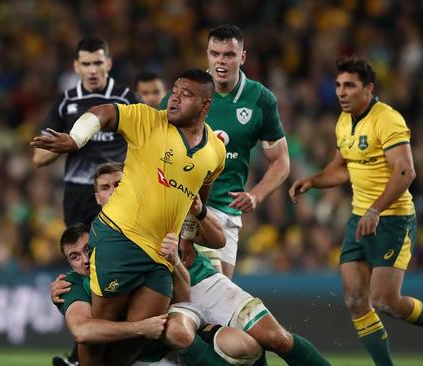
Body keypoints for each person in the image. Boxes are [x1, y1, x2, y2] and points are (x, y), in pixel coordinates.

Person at [32, 69, 227, 366]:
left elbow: (198, 197)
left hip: (161, 253)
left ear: (205, 104)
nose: (174, 98)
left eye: (185, 94)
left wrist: (187, 239)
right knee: (101, 332)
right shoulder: (147, 119)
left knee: (144, 334)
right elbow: (103, 112)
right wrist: (76, 138)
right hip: (119, 238)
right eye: (174, 90)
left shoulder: (215, 151)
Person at [289, 56, 423, 366]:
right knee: (355, 300)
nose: (341, 92)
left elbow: (406, 170)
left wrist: (375, 209)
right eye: (338, 86)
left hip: (392, 219)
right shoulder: (344, 121)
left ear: (368, 88)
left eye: (349, 86)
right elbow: (341, 168)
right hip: (359, 218)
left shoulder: (387, 119)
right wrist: (313, 180)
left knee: (386, 301)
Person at [54, 162, 262, 366]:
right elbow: (82, 332)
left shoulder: (161, 220)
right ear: (97, 198)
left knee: (246, 346)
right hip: (148, 341)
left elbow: (212, 249)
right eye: (105, 188)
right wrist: (141, 327)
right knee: (169, 330)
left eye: (118, 184)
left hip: (184, 308)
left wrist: (177, 256)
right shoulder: (78, 276)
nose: (84, 259)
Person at [160, 25, 290, 278]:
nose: (221, 61)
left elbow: (281, 161)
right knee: (203, 293)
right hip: (180, 205)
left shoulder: (260, 99)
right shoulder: (184, 93)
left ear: (242, 57)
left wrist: (256, 195)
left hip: (225, 213)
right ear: (207, 54)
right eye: (215, 53)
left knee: (217, 302)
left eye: (229, 55)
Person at [32, 35, 138, 228]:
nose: (92, 70)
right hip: (79, 191)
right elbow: (39, 158)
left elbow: (148, 141)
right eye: (86, 63)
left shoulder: (127, 99)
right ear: (76, 66)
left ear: (108, 63)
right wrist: (69, 143)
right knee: (80, 253)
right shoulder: (65, 102)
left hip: (118, 189)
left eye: (98, 63)